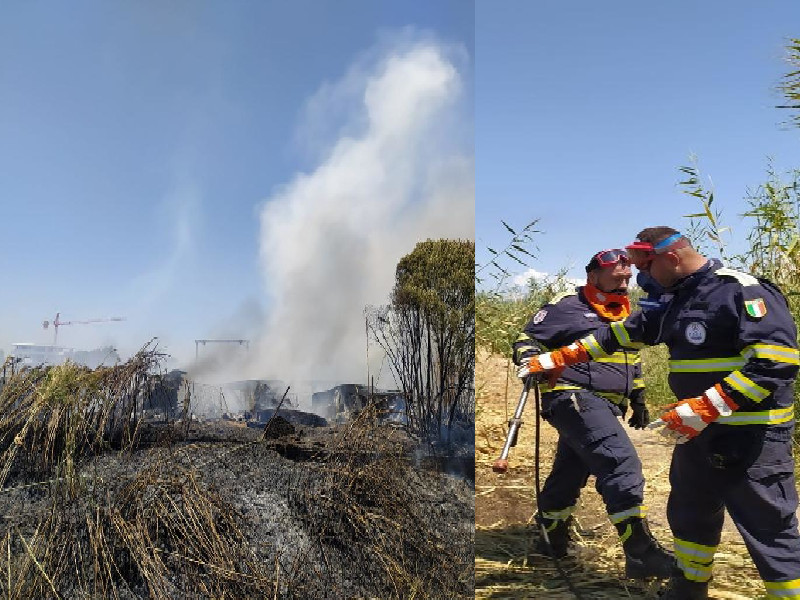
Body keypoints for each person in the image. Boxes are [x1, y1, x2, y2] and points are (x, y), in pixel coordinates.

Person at [518, 227, 800, 600]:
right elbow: (622, 335)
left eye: (644, 267)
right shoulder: (674, 298)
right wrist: (559, 357)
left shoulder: (740, 290)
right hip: (695, 433)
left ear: (671, 257)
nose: (640, 278)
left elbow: (776, 361)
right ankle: (688, 587)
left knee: (769, 529)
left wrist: (708, 406)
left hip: (750, 438)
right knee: (690, 514)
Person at [512, 248, 674, 579]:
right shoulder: (569, 305)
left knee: (571, 471)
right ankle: (640, 552)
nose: (625, 282)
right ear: (592, 276)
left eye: (627, 277)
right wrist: (530, 358)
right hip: (572, 396)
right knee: (620, 462)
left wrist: (639, 396)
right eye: (617, 277)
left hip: (608, 404)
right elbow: (526, 338)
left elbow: (631, 359)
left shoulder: (627, 311)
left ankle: (549, 537)